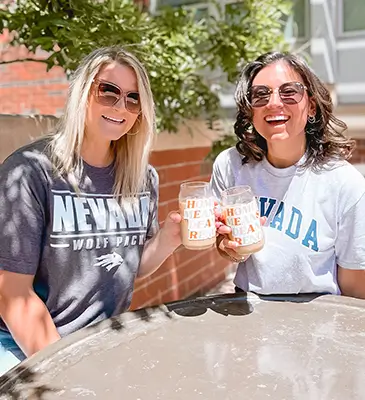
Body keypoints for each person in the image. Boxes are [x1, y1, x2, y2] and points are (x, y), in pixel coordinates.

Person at [0, 46, 182, 374]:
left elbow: (131, 266)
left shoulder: (142, 177)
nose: (120, 106)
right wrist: (63, 373)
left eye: (132, 97)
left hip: (100, 341)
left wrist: (171, 236)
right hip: (26, 346)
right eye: (108, 91)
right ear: (83, 93)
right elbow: (13, 293)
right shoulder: (30, 172)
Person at [211, 51, 365, 299]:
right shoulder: (230, 166)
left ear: (311, 106)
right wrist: (229, 249)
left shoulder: (346, 184)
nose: (273, 103)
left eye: (289, 92)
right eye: (260, 95)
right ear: (250, 111)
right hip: (248, 310)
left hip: (317, 318)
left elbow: (356, 289)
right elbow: (223, 246)